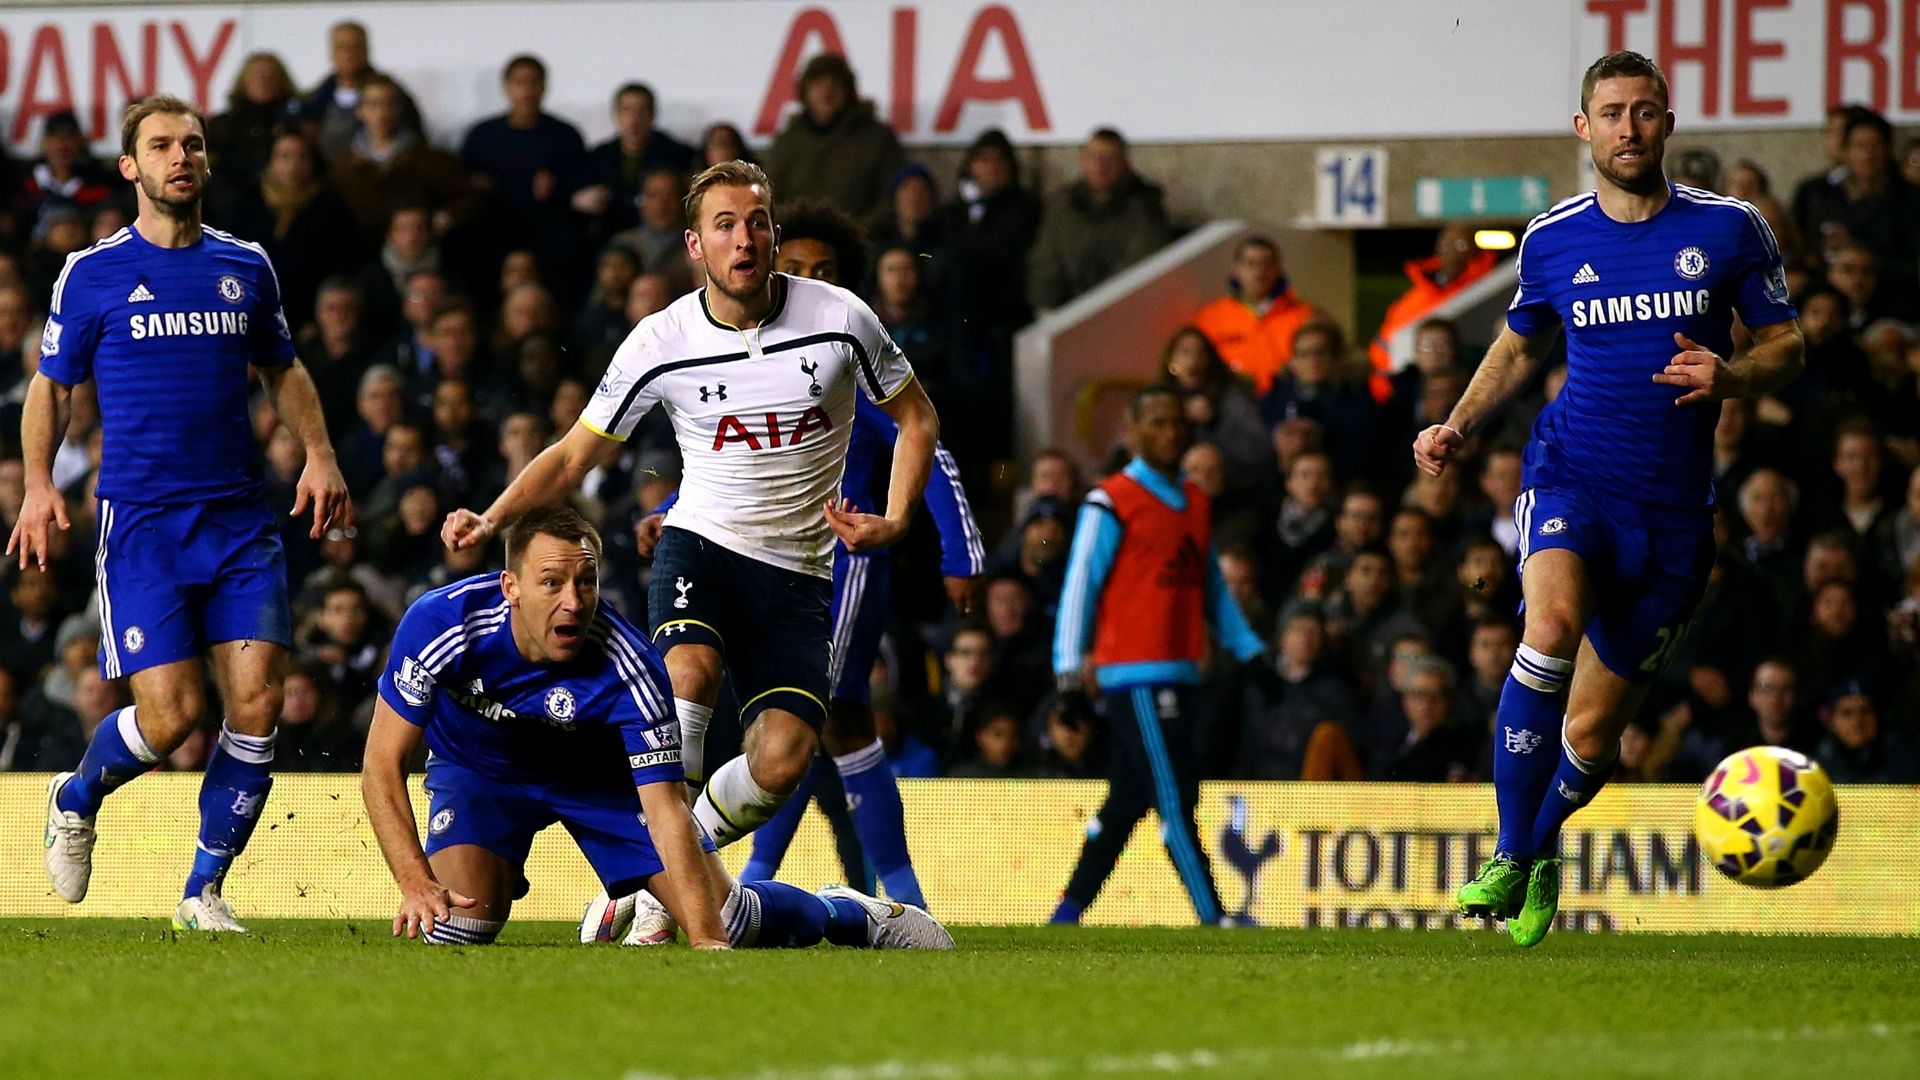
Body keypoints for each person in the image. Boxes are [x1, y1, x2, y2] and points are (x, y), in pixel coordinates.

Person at [439, 160, 938, 923]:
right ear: (695, 245)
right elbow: (574, 455)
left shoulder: (842, 319)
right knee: (691, 673)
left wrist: (898, 517)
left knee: (782, 760)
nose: (746, 239)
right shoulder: (661, 339)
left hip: (801, 573)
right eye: (726, 225)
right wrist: (493, 517)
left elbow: (917, 418)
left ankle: (664, 876)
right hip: (700, 543)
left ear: (774, 235)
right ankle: (662, 880)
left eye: (758, 222)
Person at [1415, 52, 1804, 948]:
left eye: (1645, 112)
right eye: (1612, 113)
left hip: (1671, 521)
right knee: (1546, 629)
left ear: (1668, 123)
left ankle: (1540, 844)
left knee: (1590, 736)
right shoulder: (1552, 239)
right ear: (1583, 129)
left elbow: (1789, 348)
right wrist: (1458, 425)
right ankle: (1510, 853)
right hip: (1571, 475)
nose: (1629, 129)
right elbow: (1518, 348)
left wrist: (1734, 373)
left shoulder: (1733, 229)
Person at [25, 95, 352, 931]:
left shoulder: (246, 265)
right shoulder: (91, 272)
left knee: (257, 705)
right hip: (141, 527)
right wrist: (35, 484)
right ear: (130, 167)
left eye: (194, 145)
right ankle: (77, 794)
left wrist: (317, 452)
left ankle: (202, 892)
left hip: (240, 521)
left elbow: (283, 368)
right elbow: (51, 386)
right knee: (172, 718)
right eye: (163, 145)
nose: (183, 157)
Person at [364, 506, 950, 949]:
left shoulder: (629, 661)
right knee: (454, 929)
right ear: (510, 588)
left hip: (597, 781)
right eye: (551, 583)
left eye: (586, 582)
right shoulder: (443, 623)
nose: (573, 601)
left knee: (728, 918)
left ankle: (847, 913)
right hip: (479, 771)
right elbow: (381, 767)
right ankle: (503, 858)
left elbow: (668, 807)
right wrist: (415, 881)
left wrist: (707, 942)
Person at [622, 198, 982, 912]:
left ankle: (733, 879)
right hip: (755, 559)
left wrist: (959, 552)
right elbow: (735, 463)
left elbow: (928, 446)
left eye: (826, 271)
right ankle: (742, 879)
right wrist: (668, 513)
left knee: (833, 720)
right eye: (798, 267)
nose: (810, 279)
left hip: (837, 565)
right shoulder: (755, 357)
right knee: (820, 731)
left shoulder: (849, 359)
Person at [1049, 386, 1266, 927]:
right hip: (1135, 676)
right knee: (1175, 797)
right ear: (1134, 431)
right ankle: (1213, 915)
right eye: (1159, 423)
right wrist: (1069, 673)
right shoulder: (1112, 500)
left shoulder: (1193, 500)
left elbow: (1210, 584)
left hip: (1182, 670)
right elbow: (1081, 586)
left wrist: (1249, 650)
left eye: (1179, 424)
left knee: (1125, 803)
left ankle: (1065, 916)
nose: (1172, 433)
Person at [1027, 128, 1174, 311]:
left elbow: (1139, 270)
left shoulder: (1147, 209)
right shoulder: (1062, 205)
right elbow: (1046, 264)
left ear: (1125, 163)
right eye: (1093, 157)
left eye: (1110, 158)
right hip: (1063, 315)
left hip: (1118, 313)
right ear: (1082, 160)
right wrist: (1047, 310)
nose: (1100, 165)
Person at [764, 54, 903, 223]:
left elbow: (891, 199)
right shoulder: (787, 143)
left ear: (849, 91)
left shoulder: (877, 139)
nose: (826, 92)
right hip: (796, 242)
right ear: (804, 91)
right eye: (817, 84)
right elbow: (769, 198)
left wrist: (854, 233)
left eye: (835, 85)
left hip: (863, 242)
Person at [1191, 236, 1322, 395]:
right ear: (1236, 268)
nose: (1259, 271)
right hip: (1230, 403)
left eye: (1266, 264)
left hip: (1288, 399)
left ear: (1278, 268)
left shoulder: (1304, 315)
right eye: (1250, 264)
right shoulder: (1211, 317)